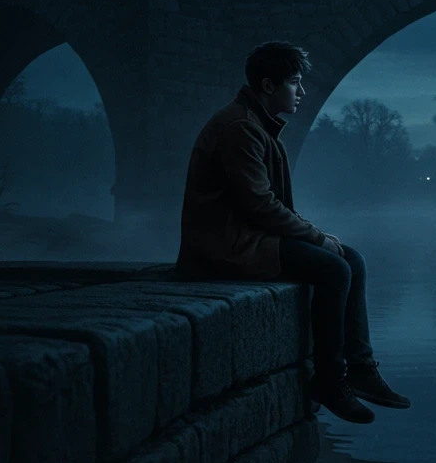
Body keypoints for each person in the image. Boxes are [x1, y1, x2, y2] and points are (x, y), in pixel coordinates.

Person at [175, 40, 410, 424]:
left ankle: (362, 371)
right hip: (226, 246)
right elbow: (260, 206)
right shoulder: (241, 128)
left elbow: (268, 206)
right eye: (295, 83)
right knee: (335, 268)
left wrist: (317, 236)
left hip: (247, 239)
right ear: (269, 86)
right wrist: (316, 237)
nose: (301, 92)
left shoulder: (255, 125)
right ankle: (331, 382)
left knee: (352, 258)